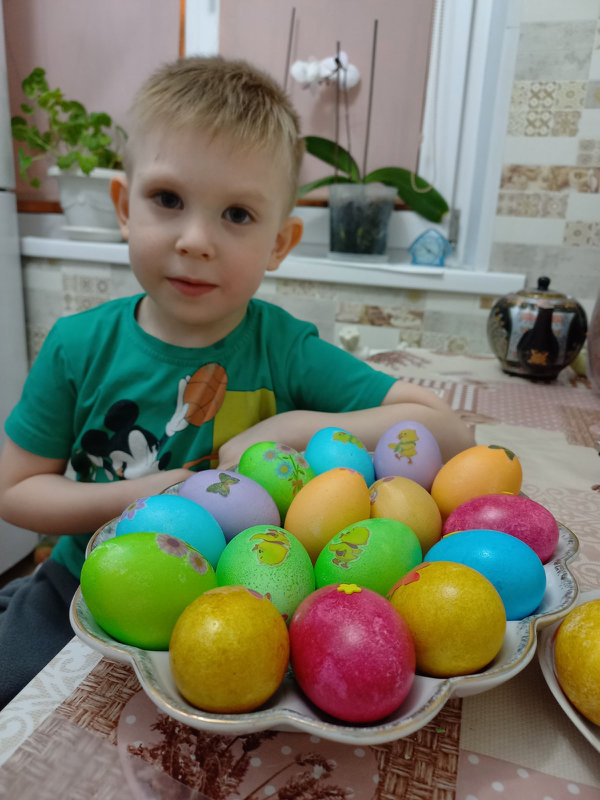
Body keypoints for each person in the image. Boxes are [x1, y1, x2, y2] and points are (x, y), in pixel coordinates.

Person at [0, 56, 474, 708]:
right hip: (83, 585)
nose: (196, 240)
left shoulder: (286, 348)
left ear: (280, 243)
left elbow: (448, 429)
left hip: (257, 619)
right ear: (124, 207)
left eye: (238, 214)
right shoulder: (76, 346)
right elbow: (16, 490)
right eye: (168, 200)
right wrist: (153, 492)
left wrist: (294, 427)